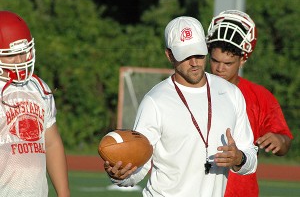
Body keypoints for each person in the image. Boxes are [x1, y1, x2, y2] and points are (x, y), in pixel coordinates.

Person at [104, 16, 258, 196]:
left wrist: (239, 158)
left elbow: (251, 159)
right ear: (169, 55)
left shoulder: (231, 94)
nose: (194, 62)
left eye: (199, 54)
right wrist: (121, 175)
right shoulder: (155, 101)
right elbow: (139, 165)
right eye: (185, 55)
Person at [206, 10, 294, 196]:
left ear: (243, 60)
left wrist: (279, 140)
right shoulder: (192, 90)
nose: (220, 68)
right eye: (214, 61)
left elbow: (285, 143)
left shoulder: (260, 97)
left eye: (228, 63)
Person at [0, 11, 70, 196]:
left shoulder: (39, 88)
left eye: (24, 52)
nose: (20, 61)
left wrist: (64, 193)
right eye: (11, 55)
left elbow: (52, 143)